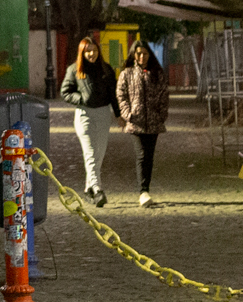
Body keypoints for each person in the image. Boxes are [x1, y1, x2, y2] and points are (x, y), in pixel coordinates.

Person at [58, 35, 119, 206]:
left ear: (98, 51)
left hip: (103, 114)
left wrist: (119, 114)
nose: (91, 54)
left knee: (98, 155)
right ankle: (98, 190)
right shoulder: (74, 70)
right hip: (84, 116)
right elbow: (65, 92)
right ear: (82, 53)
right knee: (90, 153)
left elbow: (113, 94)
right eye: (87, 51)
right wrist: (82, 99)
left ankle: (88, 190)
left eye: (93, 50)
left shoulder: (106, 70)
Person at [116, 39, 170, 206]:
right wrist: (128, 114)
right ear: (133, 54)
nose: (142, 56)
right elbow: (121, 95)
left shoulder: (157, 73)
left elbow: (164, 95)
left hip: (154, 122)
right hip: (136, 122)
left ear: (149, 55)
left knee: (149, 157)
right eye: (138, 53)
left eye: (145, 53)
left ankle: (145, 188)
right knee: (141, 155)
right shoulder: (127, 73)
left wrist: (161, 115)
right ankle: (143, 191)